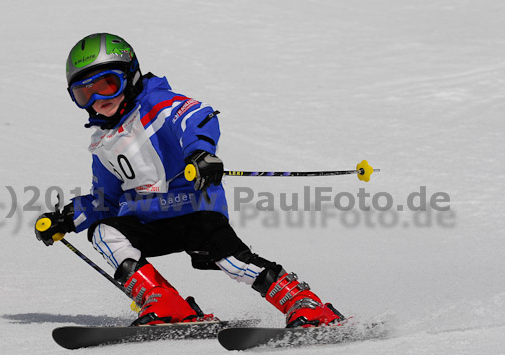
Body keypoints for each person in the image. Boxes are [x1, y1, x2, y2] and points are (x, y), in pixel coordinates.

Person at [35, 33, 344, 327]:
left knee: (235, 262)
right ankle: (164, 303)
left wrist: (200, 153)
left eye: (108, 84)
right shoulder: (103, 145)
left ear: (130, 76)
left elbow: (197, 116)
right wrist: (68, 218)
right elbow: (108, 201)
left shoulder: (157, 105)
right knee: (103, 232)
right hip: (151, 223)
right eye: (84, 93)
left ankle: (304, 304)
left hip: (195, 210)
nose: (99, 98)